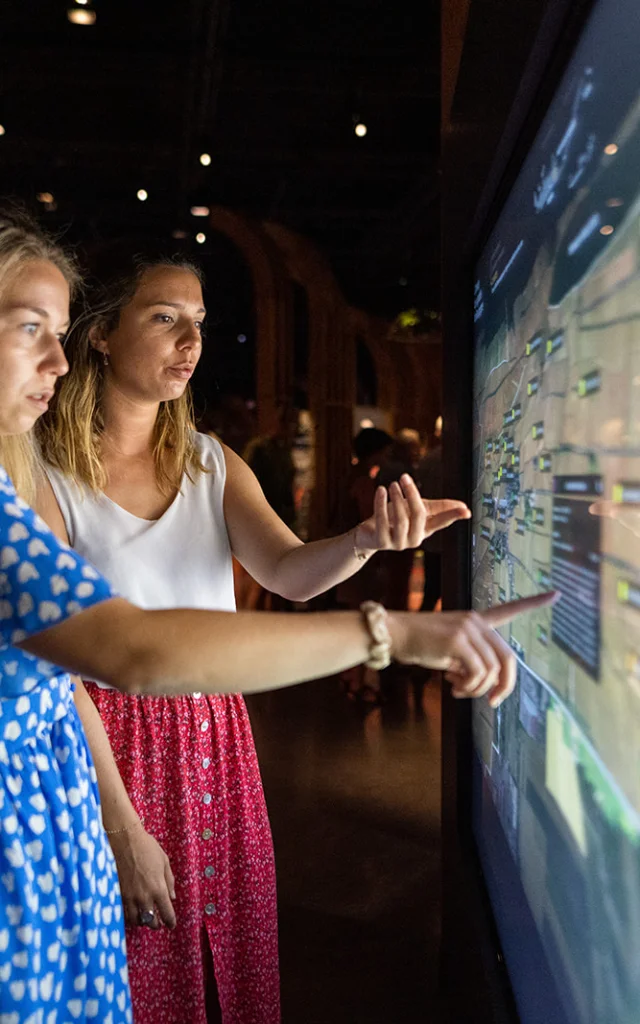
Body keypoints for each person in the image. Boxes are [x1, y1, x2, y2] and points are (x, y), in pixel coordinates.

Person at [0, 208, 556, 1021]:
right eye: (164, 319)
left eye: (197, 323)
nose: (190, 343)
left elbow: (290, 572)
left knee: (224, 947)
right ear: (103, 336)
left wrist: (365, 540)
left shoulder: (208, 460)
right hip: (105, 740)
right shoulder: (35, 468)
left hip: (212, 734)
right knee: (131, 952)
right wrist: (389, 633)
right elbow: (103, 658)